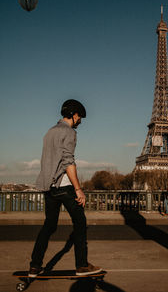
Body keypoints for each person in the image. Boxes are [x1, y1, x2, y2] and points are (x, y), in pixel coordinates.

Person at [29, 99, 102, 277]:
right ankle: (82, 265)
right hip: (65, 187)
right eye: (80, 117)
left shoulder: (49, 132)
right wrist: (78, 189)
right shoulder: (69, 132)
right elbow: (68, 161)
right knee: (80, 224)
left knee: (49, 226)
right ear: (74, 114)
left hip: (49, 187)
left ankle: (35, 265)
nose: (80, 121)